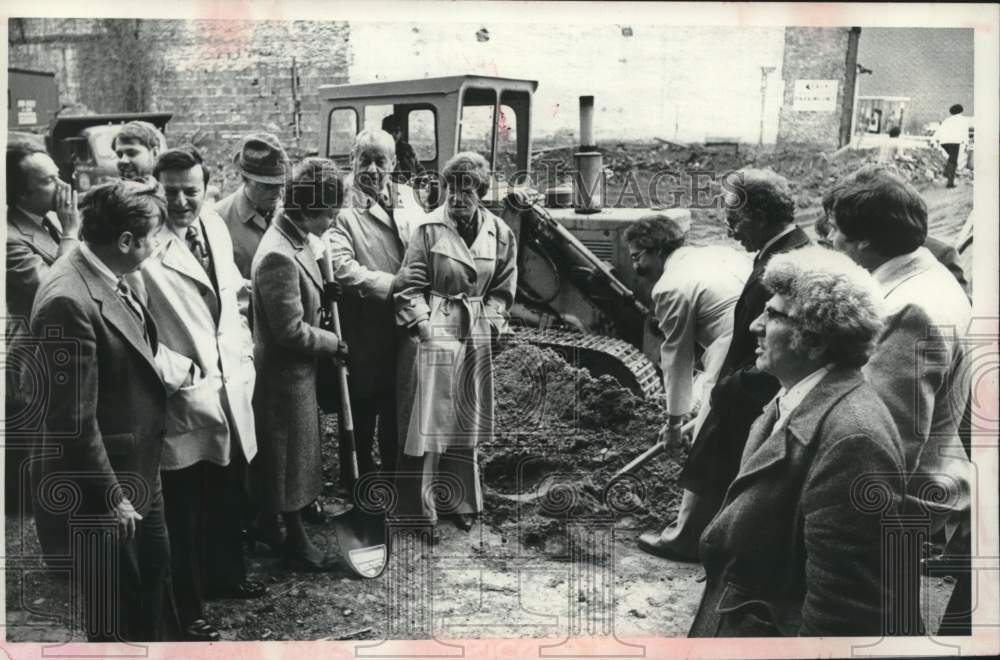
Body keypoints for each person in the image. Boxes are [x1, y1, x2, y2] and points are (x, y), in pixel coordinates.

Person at [689, 245, 906, 637]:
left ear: (816, 340)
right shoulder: (790, 398)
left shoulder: (853, 440)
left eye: (772, 314)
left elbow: (842, 612)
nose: (756, 325)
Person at [29, 181, 182, 641]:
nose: (156, 245)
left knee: (151, 579)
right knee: (119, 606)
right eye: (152, 236)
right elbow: (72, 419)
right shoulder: (67, 301)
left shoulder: (102, 274)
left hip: (136, 466)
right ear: (125, 242)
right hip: (110, 486)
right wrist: (113, 497)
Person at [825, 167, 972, 634]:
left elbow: (883, 437)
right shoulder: (930, 276)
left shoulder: (909, 309)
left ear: (864, 241)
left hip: (893, 503)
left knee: (870, 620)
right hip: (915, 493)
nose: (829, 239)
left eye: (834, 229)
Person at [130, 146, 265, 642]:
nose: (182, 202)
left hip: (229, 381)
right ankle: (189, 609)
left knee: (229, 489)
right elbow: (136, 328)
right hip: (187, 391)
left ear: (207, 188)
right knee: (184, 509)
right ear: (155, 189)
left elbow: (232, 293)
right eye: (171, 193)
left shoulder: (213, 223)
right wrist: (179, 374)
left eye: (191, 190)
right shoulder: (145, 246)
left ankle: (227, 576)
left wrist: (244, 347)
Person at [648, 169, 811, 561]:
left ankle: (692, 538)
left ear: (757, 216)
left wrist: (727, 390)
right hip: (749, 379)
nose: (729, 230)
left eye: (734, 220)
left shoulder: (783, 264)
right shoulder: (784, 250)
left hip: (754, 386)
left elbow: (773, 339)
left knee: (717, 457)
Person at [394, 151, 517, 536]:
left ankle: (459, 502)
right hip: (437, 329)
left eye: (468, 190)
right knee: (431, 424)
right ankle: (423, 509)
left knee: (466, 421)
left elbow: (503, 288)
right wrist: (424, 326)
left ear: (480, 191)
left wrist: (493, 322)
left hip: (475, 329)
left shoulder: (499, 231)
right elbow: (407, 288)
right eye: (452, 189)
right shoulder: (428, 230)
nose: (458, 198)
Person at [624, 213, 751, 558]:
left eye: (636, 257)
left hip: (730, 347)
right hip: (762, 342)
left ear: (652, 251)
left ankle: (685, 536)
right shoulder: (714, 253)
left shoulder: (671, 285)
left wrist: (674, 424)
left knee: (707, 440)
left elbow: (676, 358)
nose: (637, 266)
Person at [250, 158, 348, 571]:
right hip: (283, 378)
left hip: (297, 376)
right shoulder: (278, 256)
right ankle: (294, 538)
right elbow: (289, 329)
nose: (332, 221)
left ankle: (273, 527)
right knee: (287, 462)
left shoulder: (296, 239)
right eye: (328, 213)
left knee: (296, 457)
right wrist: (332, 342)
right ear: (306, 209)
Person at [327, 128, 422, 492]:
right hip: (363, 326)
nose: (371, 169)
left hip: (404, 325)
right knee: (362, 407)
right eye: (363, 159)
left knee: (397, 405)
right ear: (351, 160)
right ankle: (360, 480)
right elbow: (340, 265)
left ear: (394, 163)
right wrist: (392, 284)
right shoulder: (341, 207)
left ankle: (393, 479)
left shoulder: (408, 199)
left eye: (380, 160)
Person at [5, 141, 81, 513]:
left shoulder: (45, 217)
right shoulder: (10, 240)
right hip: (36, 356)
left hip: (62, 350)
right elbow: (55, 291)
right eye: (50, 180)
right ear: (21, 192)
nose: (63, 187)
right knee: (46, 450)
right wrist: (70, 231)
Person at [215, 133, 291, 280]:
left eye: (281, 184)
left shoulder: (290, 213)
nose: (278, 192)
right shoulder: (218, 218)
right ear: (247, 179)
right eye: (268, 186)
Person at [933, 104, 970, 188]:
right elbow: (965, 133)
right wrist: (966, 144)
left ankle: (947, 172)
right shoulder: (964, 120)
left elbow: (939, 130)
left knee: (952, 159)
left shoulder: (947, 120)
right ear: (961, 111)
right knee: (953, 161)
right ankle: (950, 182)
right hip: (955, 142)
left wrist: (934, 140)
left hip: (944, 142)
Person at [381, 114, 423, 184]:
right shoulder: (380, 150)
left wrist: (423, 178)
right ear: (384, 132)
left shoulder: (407, 149)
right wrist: (404, 184)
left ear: (401, 133)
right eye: (390, 131)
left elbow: (419, 168)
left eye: (397, 131)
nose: (394, 134)